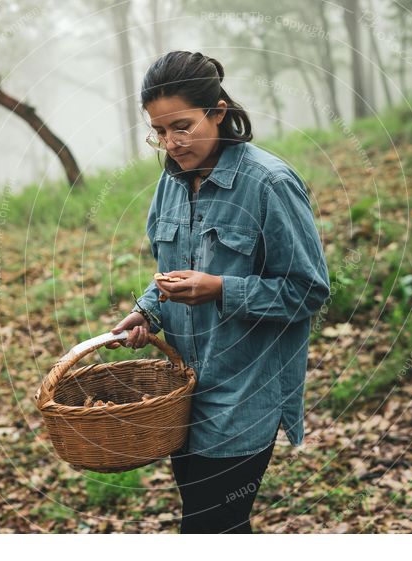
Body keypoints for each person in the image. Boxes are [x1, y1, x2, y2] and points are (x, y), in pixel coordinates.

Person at [108, 50, 330, 533]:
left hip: (243, 394)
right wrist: (148, 310)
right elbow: (169, 271)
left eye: (182, 127)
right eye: (160, 132)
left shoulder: (269, 183)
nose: (171, 142)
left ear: (219, 111)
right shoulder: (172, 183)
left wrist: (221, 290)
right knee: (217, 527)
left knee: (210, 529)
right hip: (183, 392)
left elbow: (308, 291)